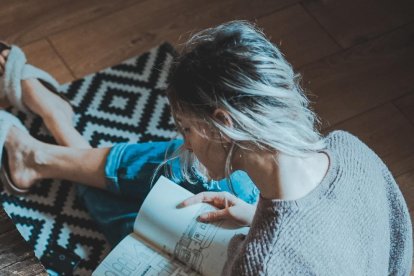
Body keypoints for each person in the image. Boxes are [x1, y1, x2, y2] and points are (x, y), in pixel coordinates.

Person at [0, 20, 412, 275]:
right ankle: (44, 147)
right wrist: (255, 217)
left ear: (222, 123)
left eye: (186, 128)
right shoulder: (348, 150)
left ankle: (50, 139)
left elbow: (286, 258)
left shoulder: (264, 264)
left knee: (147, 215)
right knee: (180, 173)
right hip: (272, 239)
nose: (183, 139)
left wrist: (263, 241)